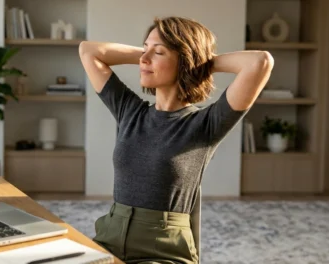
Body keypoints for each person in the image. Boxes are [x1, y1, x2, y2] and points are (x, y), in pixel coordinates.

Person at [78, 16, 273, 263]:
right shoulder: (130, 111)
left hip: (163, 253)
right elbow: (89, 51)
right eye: (144, 49)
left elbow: (260, 62)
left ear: (184, 62)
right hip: (109, 240)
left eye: (158, 52)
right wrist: (150, 53)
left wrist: (197, 61)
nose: (144, 59)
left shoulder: (206, 124)